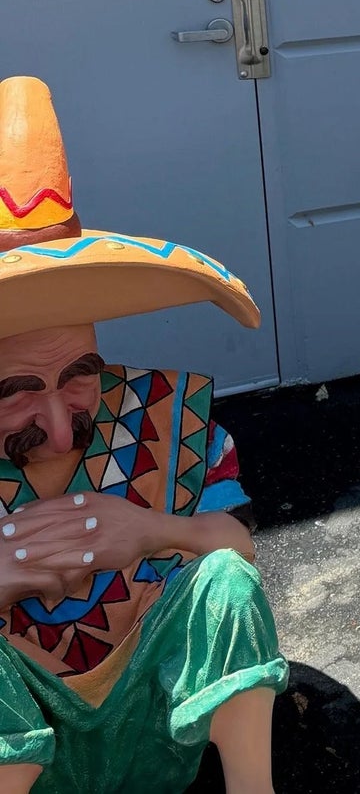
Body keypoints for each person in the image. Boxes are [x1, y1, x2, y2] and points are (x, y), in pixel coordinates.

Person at [0, 76, 286, 793]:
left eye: (79, 375)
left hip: (154, 736)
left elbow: (238, 552)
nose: (63, 428)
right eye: (18, 391)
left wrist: (150, 528)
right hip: (33, 759)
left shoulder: (172, 423)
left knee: (223, 581)